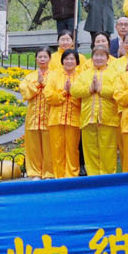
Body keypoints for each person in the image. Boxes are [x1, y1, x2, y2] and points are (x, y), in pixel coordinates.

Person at [73, 42, 121, 177]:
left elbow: (117, 91)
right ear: (92, 57)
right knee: (90, 150)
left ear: (107, 58)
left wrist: (100, 89)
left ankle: (107, 177)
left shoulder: (114, 74)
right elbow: (74, 90)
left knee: (108, 150)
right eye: (96, 55)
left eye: (102, 56)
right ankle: (93, 176)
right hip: (88, 119)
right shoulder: (84, 74)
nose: (99, 58)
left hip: (108, 119)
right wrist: (89, 89)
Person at [44, 49, 84, 178]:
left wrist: (71, 94)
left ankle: (71, 176)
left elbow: (83, 98)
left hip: (74, 119)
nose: (69, 61)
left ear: (77, 61)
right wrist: (64, 93)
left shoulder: (81, 77)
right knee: (57, 150)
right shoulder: (54, 76)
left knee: (72, 150)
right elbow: (49, 96)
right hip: (56, 119)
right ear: (62, 61)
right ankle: (59, 177)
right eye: (66, 59)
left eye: (72, 59)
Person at [18, 49, 51, 178]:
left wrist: (44, 84)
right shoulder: (29, 77)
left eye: (45, 57)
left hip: (48, 116)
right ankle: (35, 173)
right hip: (33, 116)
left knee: (49, 147)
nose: (42, 59)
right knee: (33, 147)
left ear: (50, 59)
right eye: (40, 57)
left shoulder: (54, 76)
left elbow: (54, 92)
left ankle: (49, 173)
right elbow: (25, 93)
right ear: (36, 59)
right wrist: (38, 84)